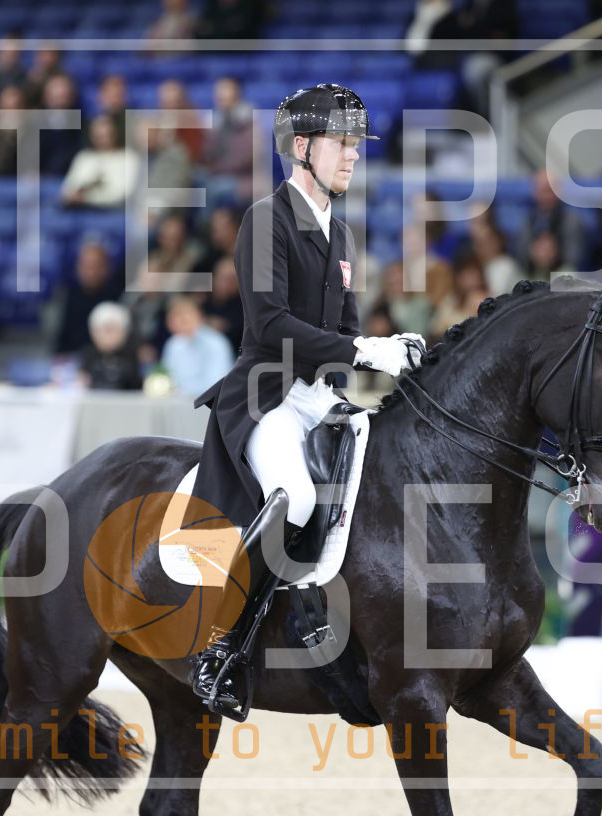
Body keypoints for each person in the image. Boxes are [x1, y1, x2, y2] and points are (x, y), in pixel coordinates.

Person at [186, 84, 422, 708]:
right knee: (296, 497)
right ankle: (220, 647)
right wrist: (363, 350)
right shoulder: (265, 220)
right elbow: (270, 324)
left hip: (318, 394)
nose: (353, 155)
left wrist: (388, 350)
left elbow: (344, 333)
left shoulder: (340, 236)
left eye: (355, 145)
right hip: (267, 395)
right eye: (342, 143)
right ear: (302, 148)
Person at [54, 242, 124, 356]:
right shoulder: (71, 296)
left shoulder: (118, 298)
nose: (90, 272)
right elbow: (62, 340)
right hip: (75, 358)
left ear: (106, 267)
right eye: (86, 266)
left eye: (95, 266)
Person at [161, 295, 235, 397]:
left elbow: (216, 384)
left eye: (186, 314)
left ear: (200, 316)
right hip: (177, 402)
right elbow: (166, 379)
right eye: (176, 316)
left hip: (211, 403)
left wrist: (180, 392)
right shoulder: (173, 344)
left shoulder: (216, 343)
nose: (183, 319)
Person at [60, 115, 140, 209]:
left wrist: (88, 199)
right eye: (97, 136)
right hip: (80, 210)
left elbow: (124, 194)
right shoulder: (84, 157)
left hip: (112, 212)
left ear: (115, 133)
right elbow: (68, 187)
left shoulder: (129, 158)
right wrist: (73, 195)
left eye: (105, 135)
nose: (101, 140)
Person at [517, 168, 585, 270]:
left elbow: (574, 257)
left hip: (561, 271)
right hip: (531, 271)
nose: (547, 196)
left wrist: (554, 254)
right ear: (535, 192)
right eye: (543, 191)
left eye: (550, 190)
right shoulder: (528, 220)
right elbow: (520, 252)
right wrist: (534, 254)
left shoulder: (572, 220)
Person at [78, 302, 142, 391]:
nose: (109, 336)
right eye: (106, 330)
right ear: (94, 333)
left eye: (114, 330)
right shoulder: (87, 355)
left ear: (124, 333)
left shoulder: (132, 356)